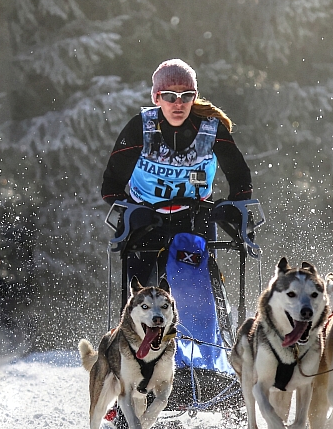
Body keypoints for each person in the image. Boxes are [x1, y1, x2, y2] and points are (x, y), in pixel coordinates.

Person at [101, 58, 253, 292]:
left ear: (195, 97)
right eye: (170, 96)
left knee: (196, 290)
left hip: (194, 217)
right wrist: (129, 210)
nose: (178, 104)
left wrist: (235, 206)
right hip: (148, 218)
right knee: (141, 292)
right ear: (157, 98)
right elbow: (111, 185)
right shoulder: (140, 128)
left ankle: (212, 323)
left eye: (187, 96)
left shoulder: (210, 128)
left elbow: (240, 175)